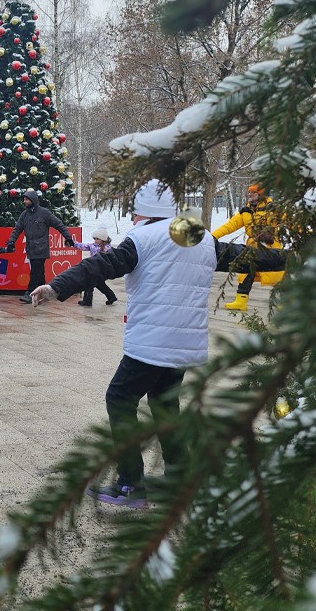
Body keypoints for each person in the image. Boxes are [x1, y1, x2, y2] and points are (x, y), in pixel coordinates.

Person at [31, 179, 288, 508]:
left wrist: (55, 287)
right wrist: (289, 257)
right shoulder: (197, 235)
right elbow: (246, 256)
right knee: (165, 403)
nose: (134, 220)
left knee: (120, 398)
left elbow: (99, 266)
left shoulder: (144, 237)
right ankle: (179, 478)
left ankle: (130, 485)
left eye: (136, 214)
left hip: (152, 343)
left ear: (144, 213)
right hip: (184, 343)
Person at [211, 182, 284, 311]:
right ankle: (241, 301)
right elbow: (229, 226)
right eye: (249, 192)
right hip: (252, 247)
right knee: (247, 272)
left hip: (271, 246)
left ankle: (285, 302)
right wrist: (212, 237)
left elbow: (289, 220)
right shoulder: (246, 211)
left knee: (278, 274)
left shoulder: (272, 207)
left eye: (253, 192)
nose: (250, 194)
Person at [5, 189, 76, 303]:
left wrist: (68, 237)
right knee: (39, 271)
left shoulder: (44, 213)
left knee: (35, 271)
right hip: (31, 248)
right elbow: (17, 229)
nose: (25, 201)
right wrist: (11, 242)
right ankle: (44, 293)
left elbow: (59, 224)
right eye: (24, 199)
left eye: (27, 199)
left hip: (41, 248)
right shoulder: (24, 215)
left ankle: (30, 292)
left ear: (33, 200)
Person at [71, 227, 118, 307]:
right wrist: (73, 243)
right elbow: (82, 246)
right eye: (94, 239)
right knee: (100, 285)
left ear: (103, 239)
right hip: (93, 268)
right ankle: (111, 296)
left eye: (97, 239)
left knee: (89, 284)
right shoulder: (92, 246)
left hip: (101, 270)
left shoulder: (107, 248)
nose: (95, 240)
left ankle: (87, 301)